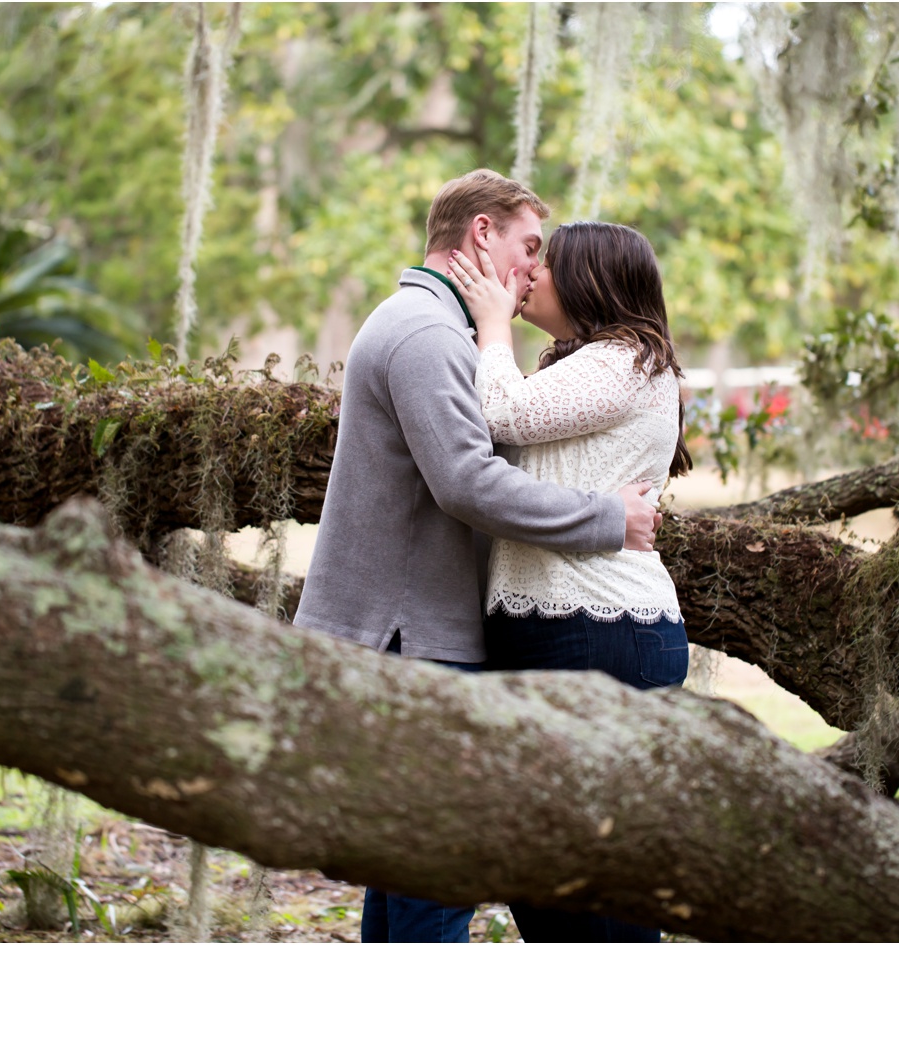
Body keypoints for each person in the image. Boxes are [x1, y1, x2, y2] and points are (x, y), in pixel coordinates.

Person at [292, 170, 661, 943]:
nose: (531, 269)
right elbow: (467, 480)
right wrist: (606, 519)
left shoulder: (430, 326)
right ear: (481, 233)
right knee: (437, 872)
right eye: (529, 247)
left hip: (417, 631)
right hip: (412, 637)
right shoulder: (428, 332)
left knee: (412, 868)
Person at [441, 219, 692, 943]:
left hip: (596, 632)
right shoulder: (593, 364)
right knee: (551, 873)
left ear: (589, 281)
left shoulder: (626, 363)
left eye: (548, 265)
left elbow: (503, 413)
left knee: (590, 885)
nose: (532, 276)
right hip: (569, 629)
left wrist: (491, 325)